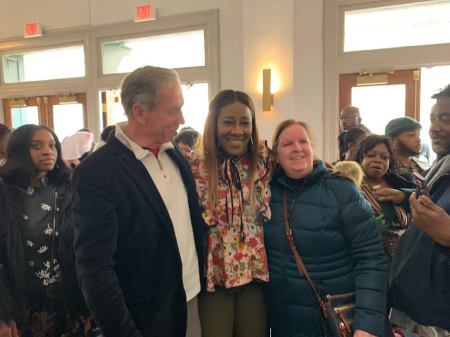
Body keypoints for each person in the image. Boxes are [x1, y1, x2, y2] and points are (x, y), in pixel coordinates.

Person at [71, 66, 205, 337]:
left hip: (189, 301)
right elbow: (94, 268)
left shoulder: (174, 155)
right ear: (139, 112)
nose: (182, 118)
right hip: (143, 318)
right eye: (172, 110)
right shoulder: (96, 172)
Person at [265, 119, 387, 337]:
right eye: (287, 144)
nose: (297, 148)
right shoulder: (266, 193)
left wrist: (367, 325)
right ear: (275, 155)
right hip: (285, 322)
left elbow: (370, 259)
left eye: (303, 141)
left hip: (334, 320)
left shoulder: (342, 191)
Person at [186, 90, 274, 337]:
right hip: (214, 281)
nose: (238, 130)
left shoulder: (263, 161)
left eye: (245, 122)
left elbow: (300, 164)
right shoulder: (195, 166)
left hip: (255, 279)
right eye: (228, 122)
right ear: (213, 123)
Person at [0, 124, 94, 337]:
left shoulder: (69, 187)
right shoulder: (5, 194)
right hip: (21, 305)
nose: (47, 151)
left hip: (69, 300)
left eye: (52, 145)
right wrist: (3, 314)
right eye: (37, 146)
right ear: (19, 151)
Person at [389, 85, 450, 336]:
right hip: (415, 311)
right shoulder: (440, 166)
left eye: (446, 119)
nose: (434, 127)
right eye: (433, 119)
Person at [355, 135, 415, 271]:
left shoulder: (400, 182)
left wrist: (402, 196)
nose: (378, 160)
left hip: (403, 258)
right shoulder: (350, 186)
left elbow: (424, 200)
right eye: (371, 155)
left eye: (384, 157)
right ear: (360, 158)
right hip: (367, 260)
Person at [385, 117, 426, 182]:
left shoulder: (423, 166)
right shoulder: (384, 168)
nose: (418, 139)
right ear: (392, 141)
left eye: (419, 135)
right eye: (412, 135)